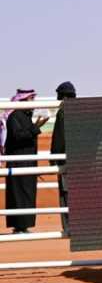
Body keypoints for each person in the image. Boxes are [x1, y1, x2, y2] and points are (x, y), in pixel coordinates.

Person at [4, 89, 49, 233]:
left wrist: (35, 126)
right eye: (31, 99)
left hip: (28, 162)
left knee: (27, 194)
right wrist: (37, 127)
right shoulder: (15, 116)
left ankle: (24, 226)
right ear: (23, 101)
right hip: (18, 163)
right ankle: (19, 226)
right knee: (19, 194)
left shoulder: (24, 116)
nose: (33, 103)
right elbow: (18, 137)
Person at [50, 81, 76, 236]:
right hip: (82, 160)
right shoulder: (82, 110)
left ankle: (70, 228)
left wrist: (54, 158)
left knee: (66, 194)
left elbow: (59, 138)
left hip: (67, 161)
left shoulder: (63, 111)